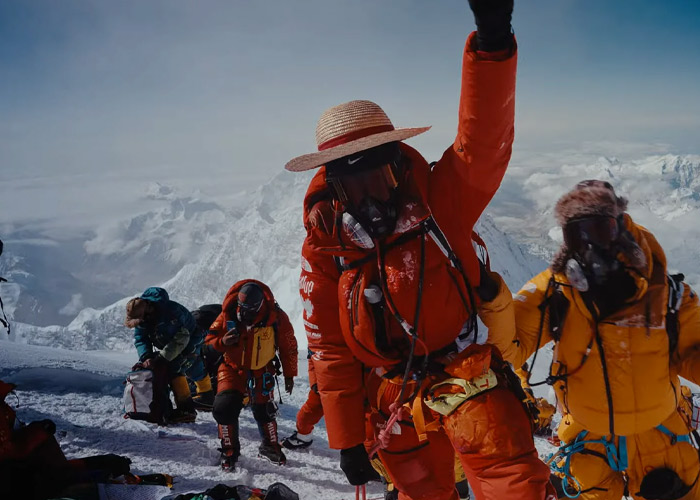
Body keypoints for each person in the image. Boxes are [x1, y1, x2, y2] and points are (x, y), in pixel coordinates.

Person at [285, 1, 554, 498]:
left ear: (399, 168)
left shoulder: (436, 201)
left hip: (466, 375)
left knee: (513, 484)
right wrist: (346, 439)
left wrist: (492, 43)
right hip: (390, 400)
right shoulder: (325, 249)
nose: (372, 199)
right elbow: (328, 347)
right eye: (355, 187)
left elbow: (484, 147)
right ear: (333, 189)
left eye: (381, 177)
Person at [485, 180, 700, 500]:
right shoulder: (557, 290)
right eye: (577, 235)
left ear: (621, 226)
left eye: (600, 230)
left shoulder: (663, 292)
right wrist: (494, 300)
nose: (589, 247)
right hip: (598, 433)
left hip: (652, 432)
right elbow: (508, 349)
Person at [206, 280, 298, 470]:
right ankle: (229, 449)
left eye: (248, 310)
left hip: (262, 370)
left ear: (260, 306)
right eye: (242, 308)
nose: (243, 314)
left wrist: (290, 374)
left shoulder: (276, 318)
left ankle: (270, 446)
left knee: (264, 410)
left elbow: (288, 347)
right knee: (224, 407)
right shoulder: (228, 313)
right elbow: (209, 340)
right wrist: (222, 342)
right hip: (231, 367)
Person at [0, 380, 132, 499]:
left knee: (106, 464)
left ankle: (108, 468)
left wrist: (38, 430)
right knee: (74, 483)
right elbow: (10, 451)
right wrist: (39, 431)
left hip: (31, 468)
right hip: (18, 479)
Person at [124, 287, 213, 424]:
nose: (139, 323)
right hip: (171, 344)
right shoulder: (143, 318)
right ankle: (206, 397)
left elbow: (182, 338)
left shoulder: (172, 313)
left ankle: (187, 409)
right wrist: (146, 356)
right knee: (185, 366)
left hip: (191, 339)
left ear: (148, 311)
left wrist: (162, 358)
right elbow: (141, 339)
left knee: (179, 367)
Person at [282, 348, 322, 450]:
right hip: (322, 386)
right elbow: (312, 360)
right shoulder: (315, 338)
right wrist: (314, 383)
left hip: (347, 384)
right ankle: (303, 438)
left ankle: (364, 449)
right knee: (304, 417)